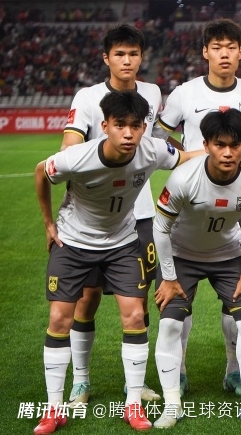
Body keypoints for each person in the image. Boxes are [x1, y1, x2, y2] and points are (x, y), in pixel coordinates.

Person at [34, 91, 201, 435]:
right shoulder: (77, 158)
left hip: (122, 243)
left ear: (144, 128)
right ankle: (53, 409)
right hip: (73, 244)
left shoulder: (153, 150)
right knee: (60, 318)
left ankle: (133, 405)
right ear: (105, 126)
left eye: (135, 126)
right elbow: (41, 172)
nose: (128, 133)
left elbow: (184, 156)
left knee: (136, 315)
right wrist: (49, 223)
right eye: (120, 125)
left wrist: (230, 153)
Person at [153, 18, 241, 397]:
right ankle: (178, 371)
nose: (224, 54)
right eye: (217, 47)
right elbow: (159, 136)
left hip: (233, 201)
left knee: (236, 296)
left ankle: (234, 370)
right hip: (191, 196)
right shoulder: (185, 93)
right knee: (181, 296)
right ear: (205, 52)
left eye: (231, 47)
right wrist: (189, 156)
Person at [152, 109, 241, 428]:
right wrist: (169, 278)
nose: (228, 153)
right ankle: (172, 405)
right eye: (220, 145)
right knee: (170, 324)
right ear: (206, 145)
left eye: (235, 145)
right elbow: (160, 228)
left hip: (229, 256)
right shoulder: (183, 177)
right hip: (181, 255)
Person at [60, 23, 162, 406]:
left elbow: (157, 144)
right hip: (95, 216)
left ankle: (135, 385)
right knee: (86, 298)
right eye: (119, 54)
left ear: (142, 57)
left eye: (133, 54)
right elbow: (70, 146)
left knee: (138, 300)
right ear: (106, 58)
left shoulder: (152, 93)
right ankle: (80, 381)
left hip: (140, 213)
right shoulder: (88, 97)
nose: (127, 60)